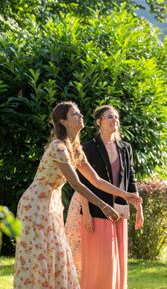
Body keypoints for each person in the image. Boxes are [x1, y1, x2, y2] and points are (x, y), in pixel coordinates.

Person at [13, 101, 141, 288]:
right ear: (63, 122)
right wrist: (103, 205)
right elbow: (76, 183)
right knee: (41, 256)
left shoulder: (75, 149)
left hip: (52, 203)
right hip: (35, 205)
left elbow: (96, 180)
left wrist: (125, 195)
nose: (81, 116)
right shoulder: (59, 147)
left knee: (58, 253)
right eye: (75, 114)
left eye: (80, 113)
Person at [64, 105, 143, 289]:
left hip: (120, 210)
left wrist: (138, 208)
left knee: (118, 261)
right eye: (109, 117)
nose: (114, 120)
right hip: (97, 210)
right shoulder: (88, 147)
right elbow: (82, 182)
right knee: (102, 261)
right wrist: (86, 212)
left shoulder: (125, 147)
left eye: (116, 117)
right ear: (99, 121)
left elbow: (130, 178)